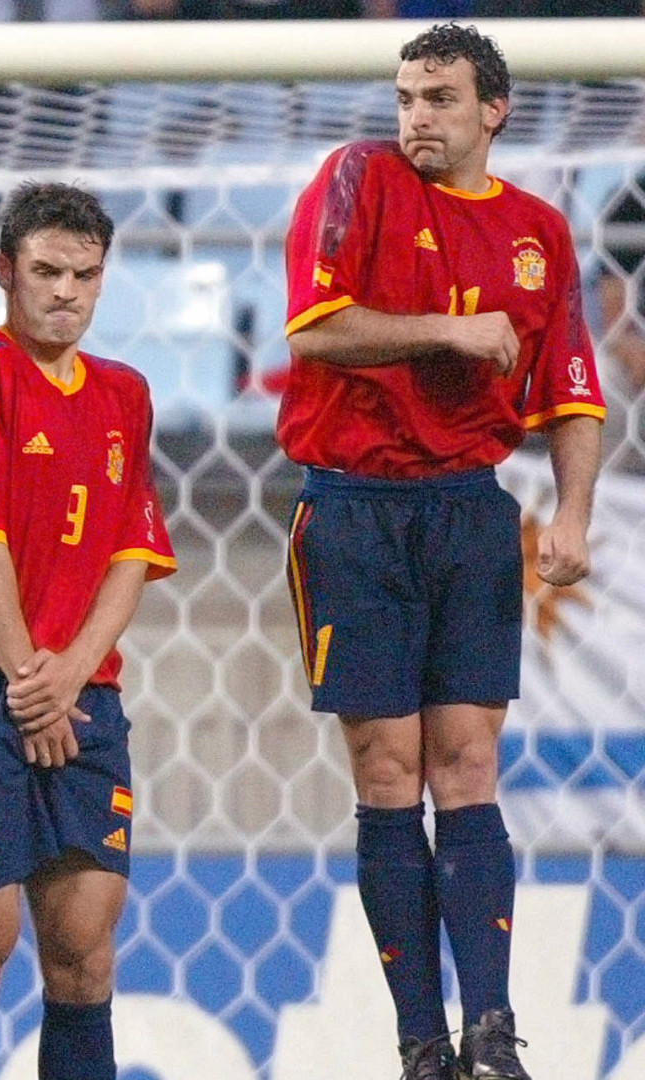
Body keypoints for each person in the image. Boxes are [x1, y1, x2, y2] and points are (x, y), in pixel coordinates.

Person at [280, 23, 604, 1080]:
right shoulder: (356, 178)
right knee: (389, 770)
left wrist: (572, 515)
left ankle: (492, 1034)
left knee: (469, 766)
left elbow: (572, 393)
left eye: (441, 99)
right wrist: (448, 330)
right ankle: (420, 1042)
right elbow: (313, 329)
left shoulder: (538, 234)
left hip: (469, 510)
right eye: (408, 95)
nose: (417, 116)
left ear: (492, 112)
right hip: (355, 507)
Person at [0, 182, 175, 1080]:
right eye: (48, 271)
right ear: (6, 273)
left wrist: (71, 677)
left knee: (85, 954)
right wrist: (32, 685)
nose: (66, 291)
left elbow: (133, 551)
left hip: (84, 695)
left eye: (85, 275)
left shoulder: (125, 394)